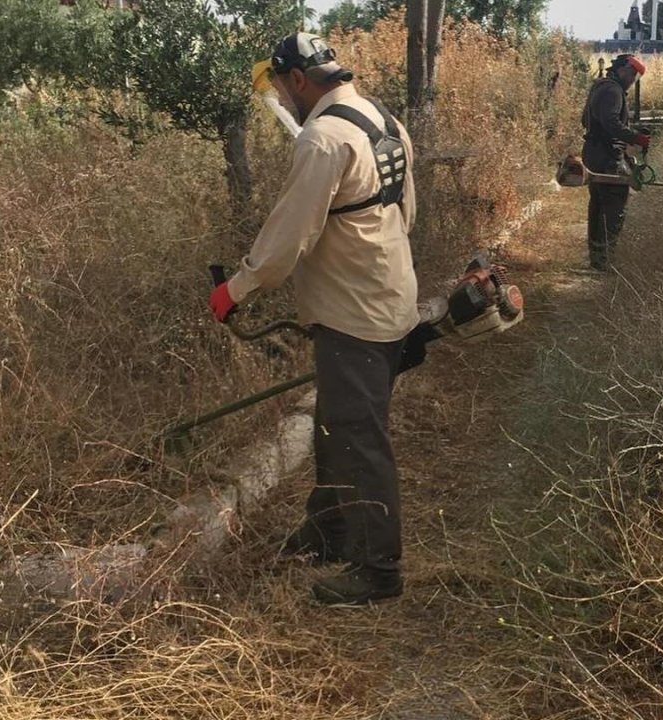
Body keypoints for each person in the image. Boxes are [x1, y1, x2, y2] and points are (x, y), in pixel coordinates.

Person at [208, 32, 418, 606]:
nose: (280, 96)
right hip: (388, 298)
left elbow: (286, 241)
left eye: (280, 86)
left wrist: (236, 288)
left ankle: (377, 570)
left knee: (358, 439)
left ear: (297, 81)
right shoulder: (381, 119)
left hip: (354, 313)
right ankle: (328, 531)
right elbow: (407, 211)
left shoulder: (323, 139)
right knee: (337, 422)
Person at [580, 53, 650, 272]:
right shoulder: (613, 90)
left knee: (598, 203)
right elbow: (611, 122)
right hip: (608, 155)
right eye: (631, 74)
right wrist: (635, 137)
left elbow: (586, 120)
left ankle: (597, 257)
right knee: (614, 204)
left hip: (593, 152)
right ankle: (607, 259)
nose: (632, 79)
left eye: (635, 77)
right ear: (622, 69)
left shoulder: (600, 85)